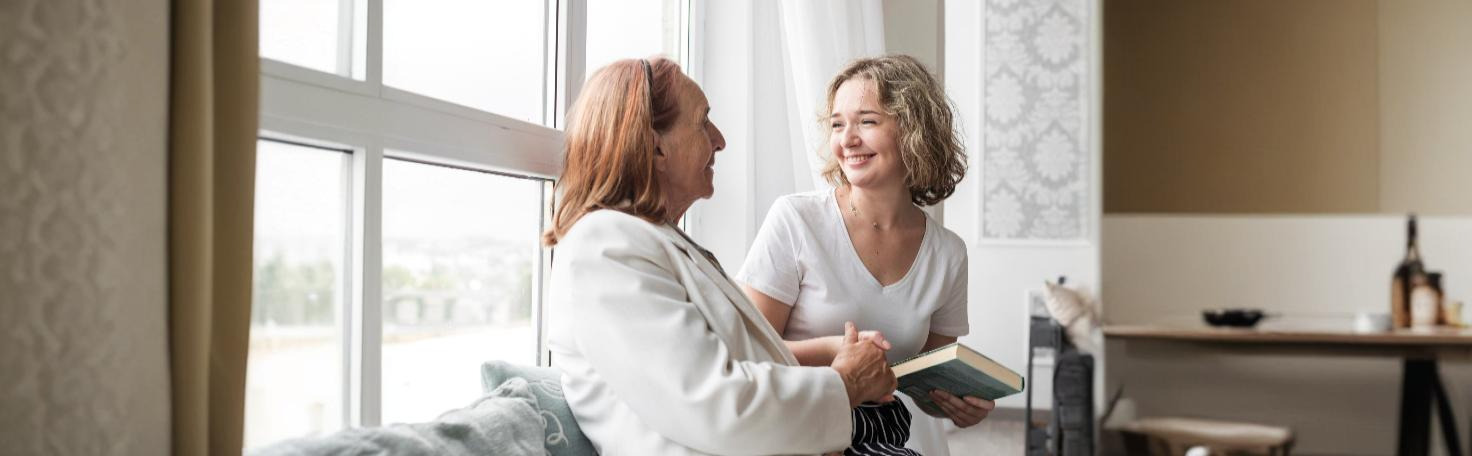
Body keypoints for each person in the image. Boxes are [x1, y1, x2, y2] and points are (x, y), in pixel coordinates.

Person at [544, 57, 899, 456]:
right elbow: (717, 406)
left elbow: (730, 364)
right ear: (655, 145)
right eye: (702, 122)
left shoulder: (653, 241)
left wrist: (830, 352)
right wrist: (848, 382)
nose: (719, 139)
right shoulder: (605, 247)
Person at [736, 55, 994, 456]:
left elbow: (923, 380)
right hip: (796, 429)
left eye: (867, 121)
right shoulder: (797, 219)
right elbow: (745, 353)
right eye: (838, 124)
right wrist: (834, 352)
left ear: (914, 130)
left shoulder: (948, 254)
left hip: (882, 434)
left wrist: (960, 404)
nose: (847, 140)